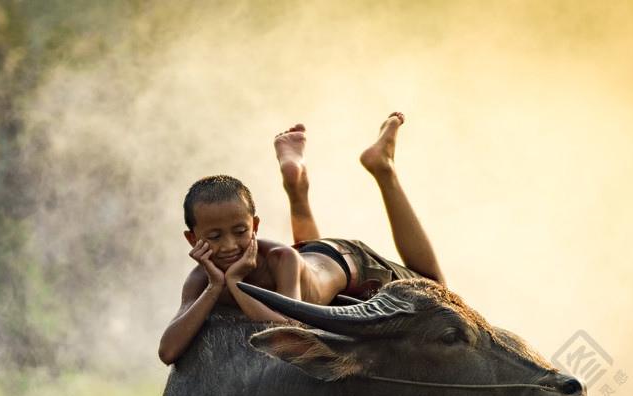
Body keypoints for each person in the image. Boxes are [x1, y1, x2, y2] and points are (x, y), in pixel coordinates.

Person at [158, 113, 445, 365]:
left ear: (255, 226)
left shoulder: (282, 258)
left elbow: (295, 328)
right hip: (311, 257)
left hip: (345, 261)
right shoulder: (201, 280)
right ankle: (295, 184)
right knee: (310, 273)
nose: (230, 245)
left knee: (436, 288)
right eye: (214, 236)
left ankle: (384, 169)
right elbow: (168, 352)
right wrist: (214, 287)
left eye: (240, 232)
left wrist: (235, 285)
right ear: (192, 239)